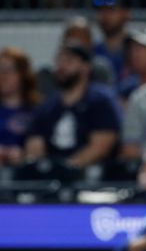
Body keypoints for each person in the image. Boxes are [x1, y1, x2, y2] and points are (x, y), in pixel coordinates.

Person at [23, 42, 121, 183]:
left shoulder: (100, 101)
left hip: (91, 178)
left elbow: (100, 146)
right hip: (49, 178)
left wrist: (68, 168)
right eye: (59, 61)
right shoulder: (48, 105)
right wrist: (44, 168)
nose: (61, 67)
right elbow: (34, 143)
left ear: (86, 67)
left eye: (69, 61)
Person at [0, 47, 39, 169]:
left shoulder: (38, 110)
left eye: (9, 70)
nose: (3, 76)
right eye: (0, 70)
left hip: (27, 175)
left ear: (23, 74)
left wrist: (24, 155)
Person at [91, 0, 132, 89]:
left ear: (126, 13)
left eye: (111, 10)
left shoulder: (136, 50)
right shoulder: (92, 52)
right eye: (101, 10)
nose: (105, 15)